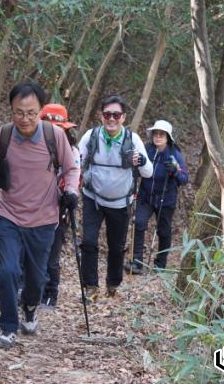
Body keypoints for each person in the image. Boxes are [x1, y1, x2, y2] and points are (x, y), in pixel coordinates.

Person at [0, 81, 79, 349]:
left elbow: (71, 168)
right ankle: (8, 327)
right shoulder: (2, 136)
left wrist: (71, 191)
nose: (25, 118)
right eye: (19, 112)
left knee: (36, 279)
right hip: (9, 215)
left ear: (40, 110)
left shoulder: (54, 136)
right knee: (7, 271)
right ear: (11, 110)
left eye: (31, 113)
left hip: (44, 220)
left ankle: (30, 308)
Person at [78, 95, 153, 300]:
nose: (111, 118)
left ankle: (112, 284)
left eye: (116, 115)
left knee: (116, 247)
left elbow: (148, 172)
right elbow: (76, 161)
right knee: (89, 242)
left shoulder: (133, 139)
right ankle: (90, 286)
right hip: (92, 198)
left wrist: (142, 161)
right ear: (101, 116)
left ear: (123, 117)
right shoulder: (91, 136)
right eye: (107, 114)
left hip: (121, 203)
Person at [124, 120, 188, 274]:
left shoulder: (174, 155)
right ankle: (136, 262)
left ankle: (160, 264)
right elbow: (135, 167)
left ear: (168, 137)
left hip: (166, 199)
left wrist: (174, 171)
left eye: (162, 134)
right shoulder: (146, 150)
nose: (158, 137)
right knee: (139, 223)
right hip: (145, 196)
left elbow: (184, 179)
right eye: (156, 134)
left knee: (163, 231)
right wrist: (136, 165)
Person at [36, 103, 81, 310]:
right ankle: (25, 289)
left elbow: (74, 175)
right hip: (32, 204)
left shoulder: (72, 151)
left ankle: (50, 294)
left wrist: (70, 194)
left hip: (59, 204)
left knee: (52, 253)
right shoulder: (31, 146)